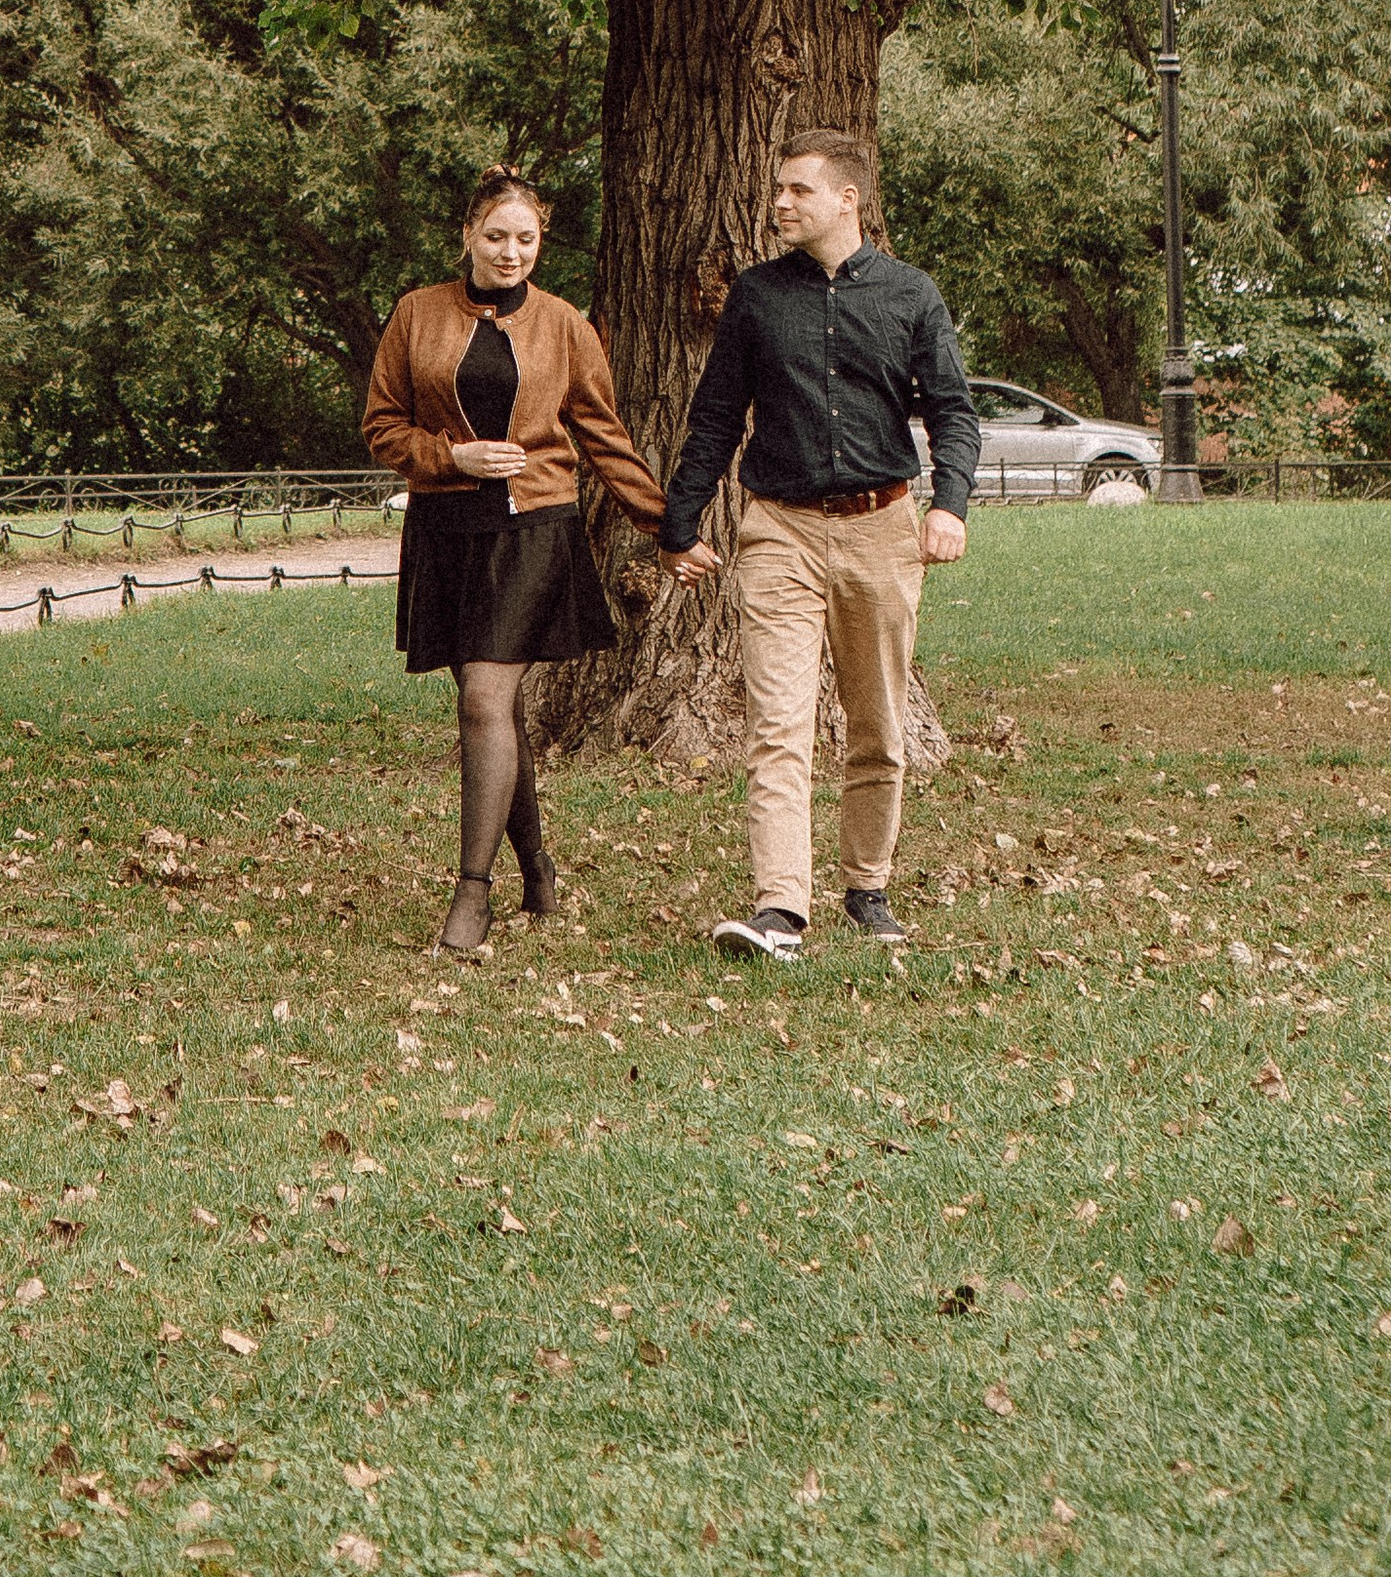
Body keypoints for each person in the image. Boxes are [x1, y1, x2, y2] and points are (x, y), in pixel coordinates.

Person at [661, 125, 977, 958]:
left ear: (848, 198)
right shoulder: (756, 297)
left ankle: (866, 887)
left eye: (797, 189)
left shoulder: (911, 295)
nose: (779, 203)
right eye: (778, 188)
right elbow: (716, 417)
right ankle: (780, 910)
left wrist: (950, 507)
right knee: (779, 724)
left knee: (876, 726)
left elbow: (952, 411)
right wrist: (680, 522)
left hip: (883, 529)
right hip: (780, 533)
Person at [363, 165, 667, 956]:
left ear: (540, 243)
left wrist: (663, 522)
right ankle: (537, 866)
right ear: (467, 236)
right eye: (496, 237)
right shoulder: (415, 315)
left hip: (535, 528)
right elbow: (381, 426)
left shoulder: (565, 324)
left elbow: (601, 433)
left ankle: (474, 895)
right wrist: (447, 457)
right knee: (492, 708)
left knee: (485, 699)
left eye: (526, 240)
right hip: (446, 529)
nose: (510, 254)